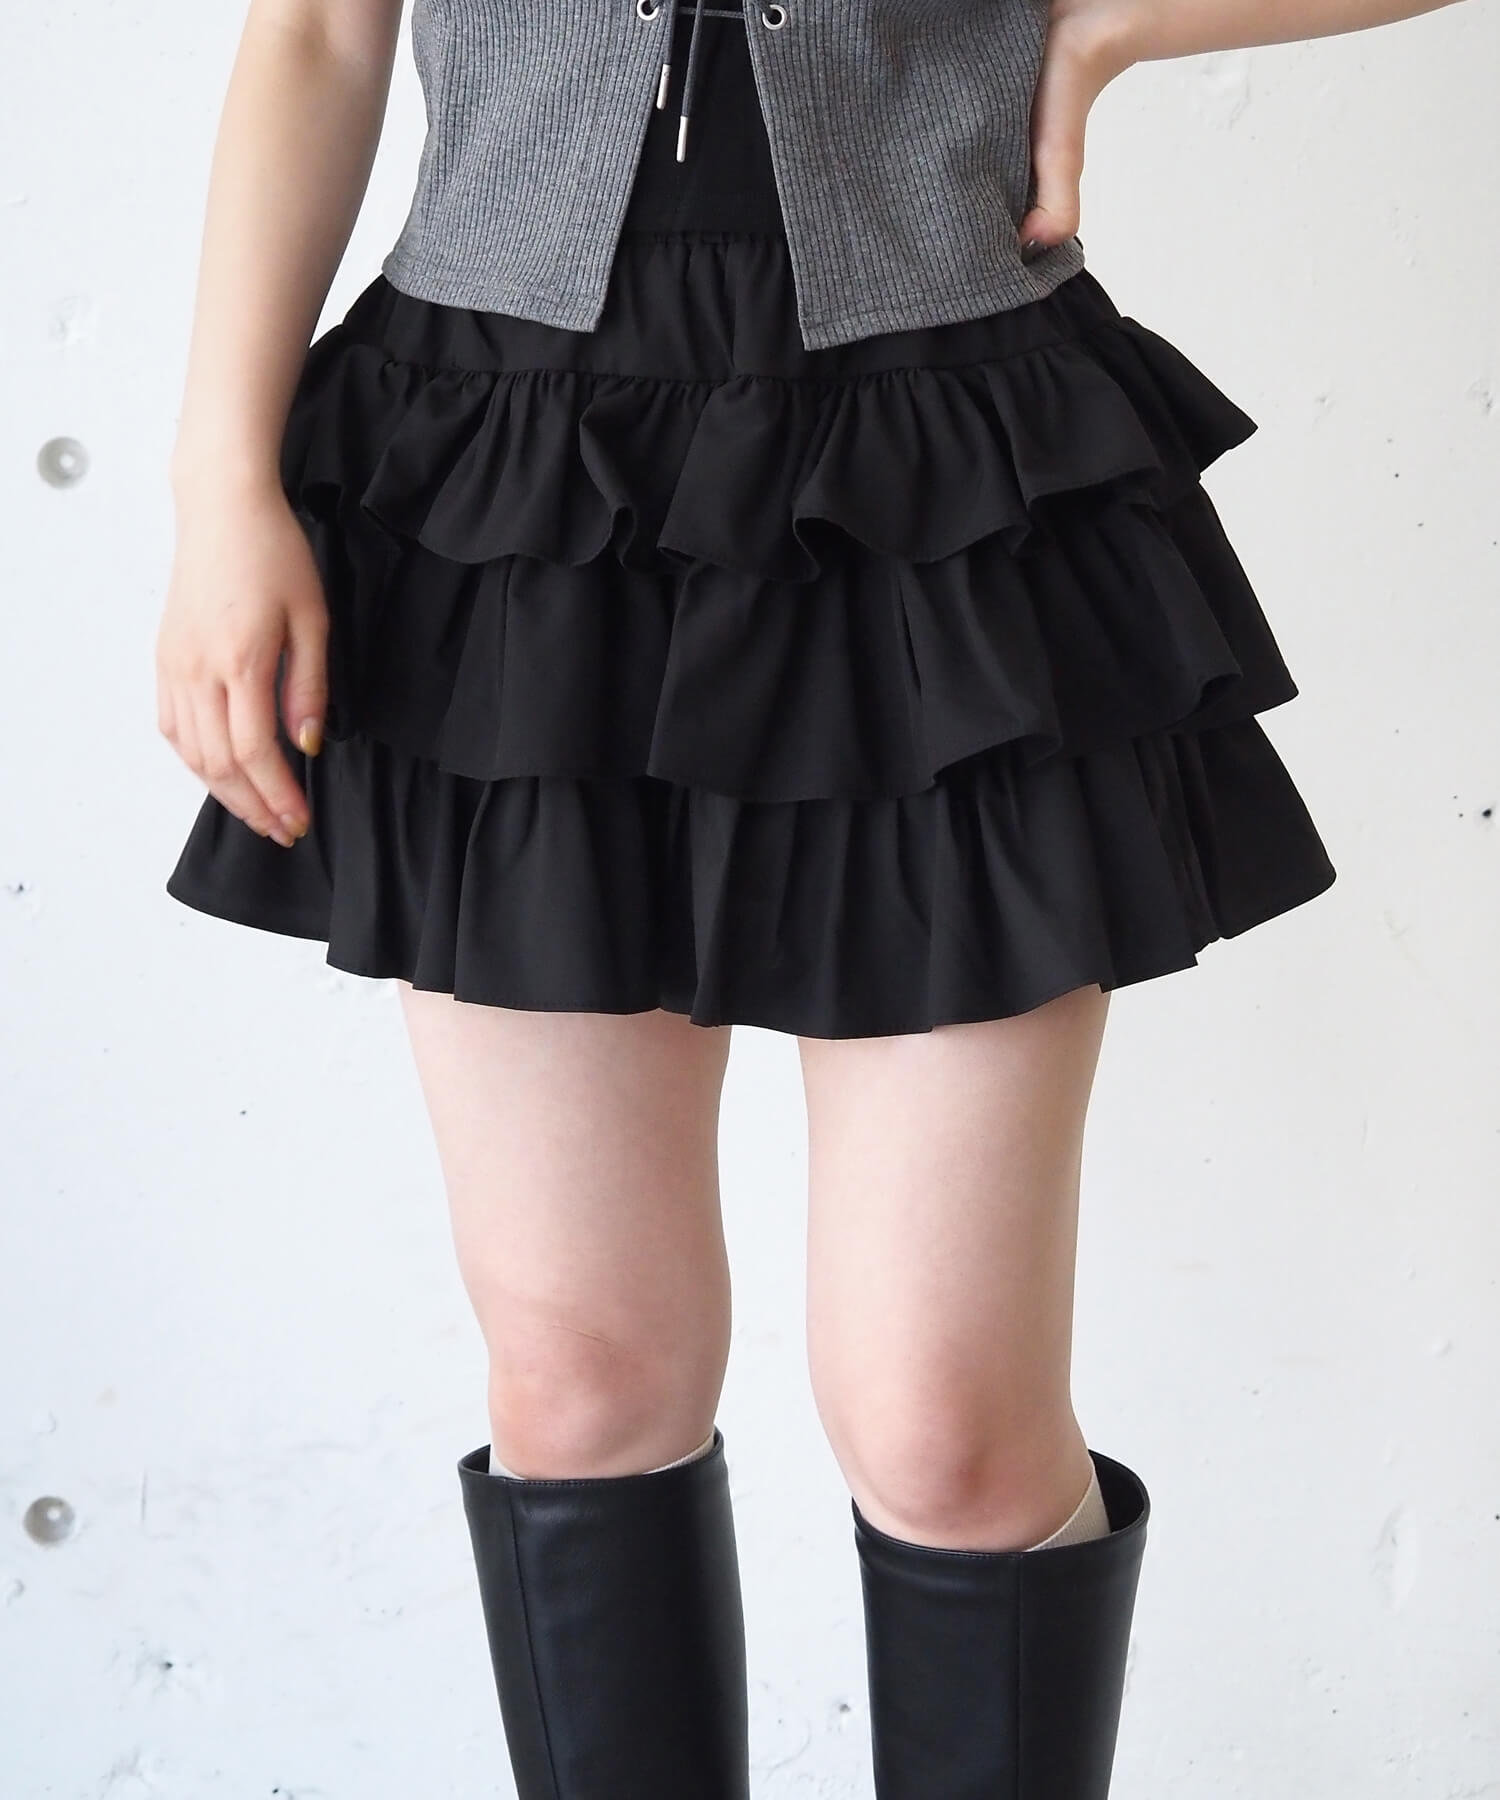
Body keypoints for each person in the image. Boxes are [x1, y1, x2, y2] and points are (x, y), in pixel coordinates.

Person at [155, 0, 1460, 1793]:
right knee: (581, 1380)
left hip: (947, 490)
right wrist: (221, 485)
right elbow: (317, 27)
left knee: (948, 1431)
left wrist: (1109, 25)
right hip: (507, 497)